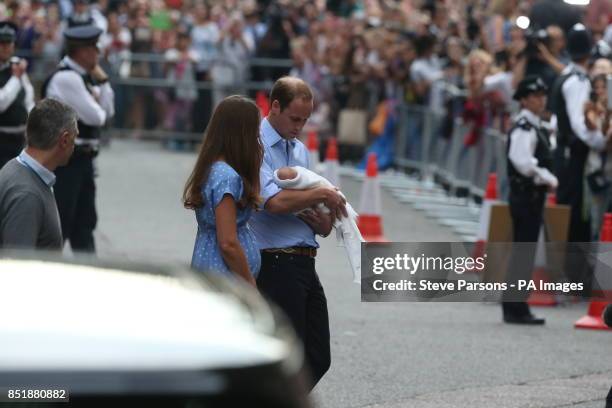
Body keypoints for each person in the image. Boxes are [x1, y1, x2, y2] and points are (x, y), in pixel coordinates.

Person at [248, 77, 347, 390]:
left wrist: (323, 219)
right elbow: (273, 202)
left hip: (304, 258)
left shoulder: (300, 150)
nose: (299, 126)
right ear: (274, 106)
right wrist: (322, 195)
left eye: (305, 120)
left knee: (317, 355)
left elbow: (306, 201)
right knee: (288, 357)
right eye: (294, 118)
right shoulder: (255, 144)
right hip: (275, 260)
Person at [42, 24, 115, 253]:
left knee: (85, 224)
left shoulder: (85, 76)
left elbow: (108, 111)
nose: (98, 53)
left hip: (83, 159)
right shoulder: (67, 78)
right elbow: (97, 117)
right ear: (82, 51)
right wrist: (98, 101)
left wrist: (102, 82)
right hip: (67, 161)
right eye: (94, 48)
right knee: (62, 223)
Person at [183, 95, 262, 287]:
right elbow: (228, 242)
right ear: (242, 135)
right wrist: (249, 282)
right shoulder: (227, 177)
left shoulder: (214, 168)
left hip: (212, 266)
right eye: (255, 133)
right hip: (224, 276)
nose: (258, 140)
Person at [503, 76, 558, 325]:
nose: (540, 100)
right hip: (526, 194)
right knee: (523, 251)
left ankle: (517, 304)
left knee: (524, 250)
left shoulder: (536, 125)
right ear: (524, 100)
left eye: (542, 95)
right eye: (535, 96)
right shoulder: (525, 126)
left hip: (531, 196)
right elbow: (522, 161)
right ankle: (515, 306)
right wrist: (546, 176)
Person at [552, 24, 608, 244]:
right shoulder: (577, 81)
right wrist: (601, 142)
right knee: (576, 215)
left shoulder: (567, 74)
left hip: (566, 154)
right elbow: (580, 126)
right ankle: (570, 272)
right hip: (573, 157)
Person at [0, 98, 77, 250]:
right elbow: (18, 268)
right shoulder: (28, 196)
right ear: (65, 140)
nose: (75, 145)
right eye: (75, 137)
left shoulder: (15, 167)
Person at [0, 21, 35, 170]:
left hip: (20, 140)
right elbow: (1, 104)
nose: (7, 47)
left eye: (10, 43)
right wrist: (15, 78)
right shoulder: (17, 72)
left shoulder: (16, 66)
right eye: (2, 43)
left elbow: (28, 98)